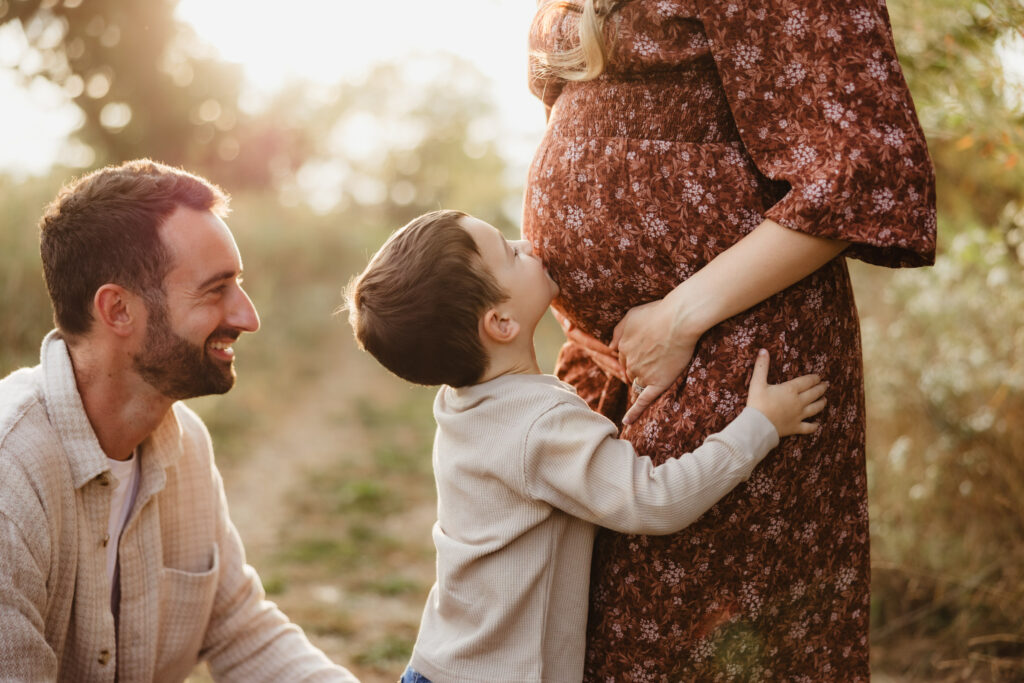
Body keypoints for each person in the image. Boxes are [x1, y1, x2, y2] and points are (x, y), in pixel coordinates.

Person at [524, 0, 937, 679]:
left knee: (697, 636)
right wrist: (580, 313)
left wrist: (680, 315)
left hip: (731, 342)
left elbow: (857, 167)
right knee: (586, 627)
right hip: (613, 357)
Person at [344, 209, 829, 682]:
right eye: (511, 253)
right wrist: (759, 425)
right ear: (501, 323)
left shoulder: (463, 403)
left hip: (441, 663)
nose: (530, 245)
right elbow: (655, 500)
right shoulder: (540, 428)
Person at [0, 160, 359, 682]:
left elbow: (239, 626)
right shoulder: (12, 479)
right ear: (118, 311)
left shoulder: (185, 442)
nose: (247, 317)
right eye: (216, 290)